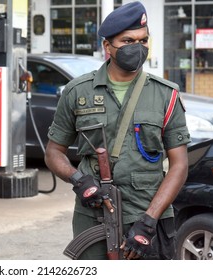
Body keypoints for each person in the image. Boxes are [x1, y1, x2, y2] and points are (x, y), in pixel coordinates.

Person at [44, 1, 190, 260]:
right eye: (128, 40)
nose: (138, 47)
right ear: (107, 46)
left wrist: (148, 221)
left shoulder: (166, 95)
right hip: (93, 217)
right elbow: (54, 152)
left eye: (143, 41)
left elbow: (179, 165)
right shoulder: (78, 92)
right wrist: (79, 181)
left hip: (149, 218)